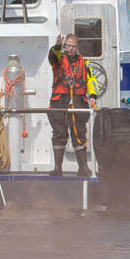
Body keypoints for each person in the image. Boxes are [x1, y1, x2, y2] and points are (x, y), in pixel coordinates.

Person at [47, 33, 98, 177]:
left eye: (73, 46)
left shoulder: (84, 62)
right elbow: (52, 56)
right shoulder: (58, 59)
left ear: (77, 47)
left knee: (79, 134)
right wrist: (57, 46)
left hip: (78, 101)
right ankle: (58, 168)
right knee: (59, 134)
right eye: (67, 46)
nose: (70, 49)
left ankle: (83, 168)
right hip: (59, 101)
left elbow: (91, 80)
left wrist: (93, 96)